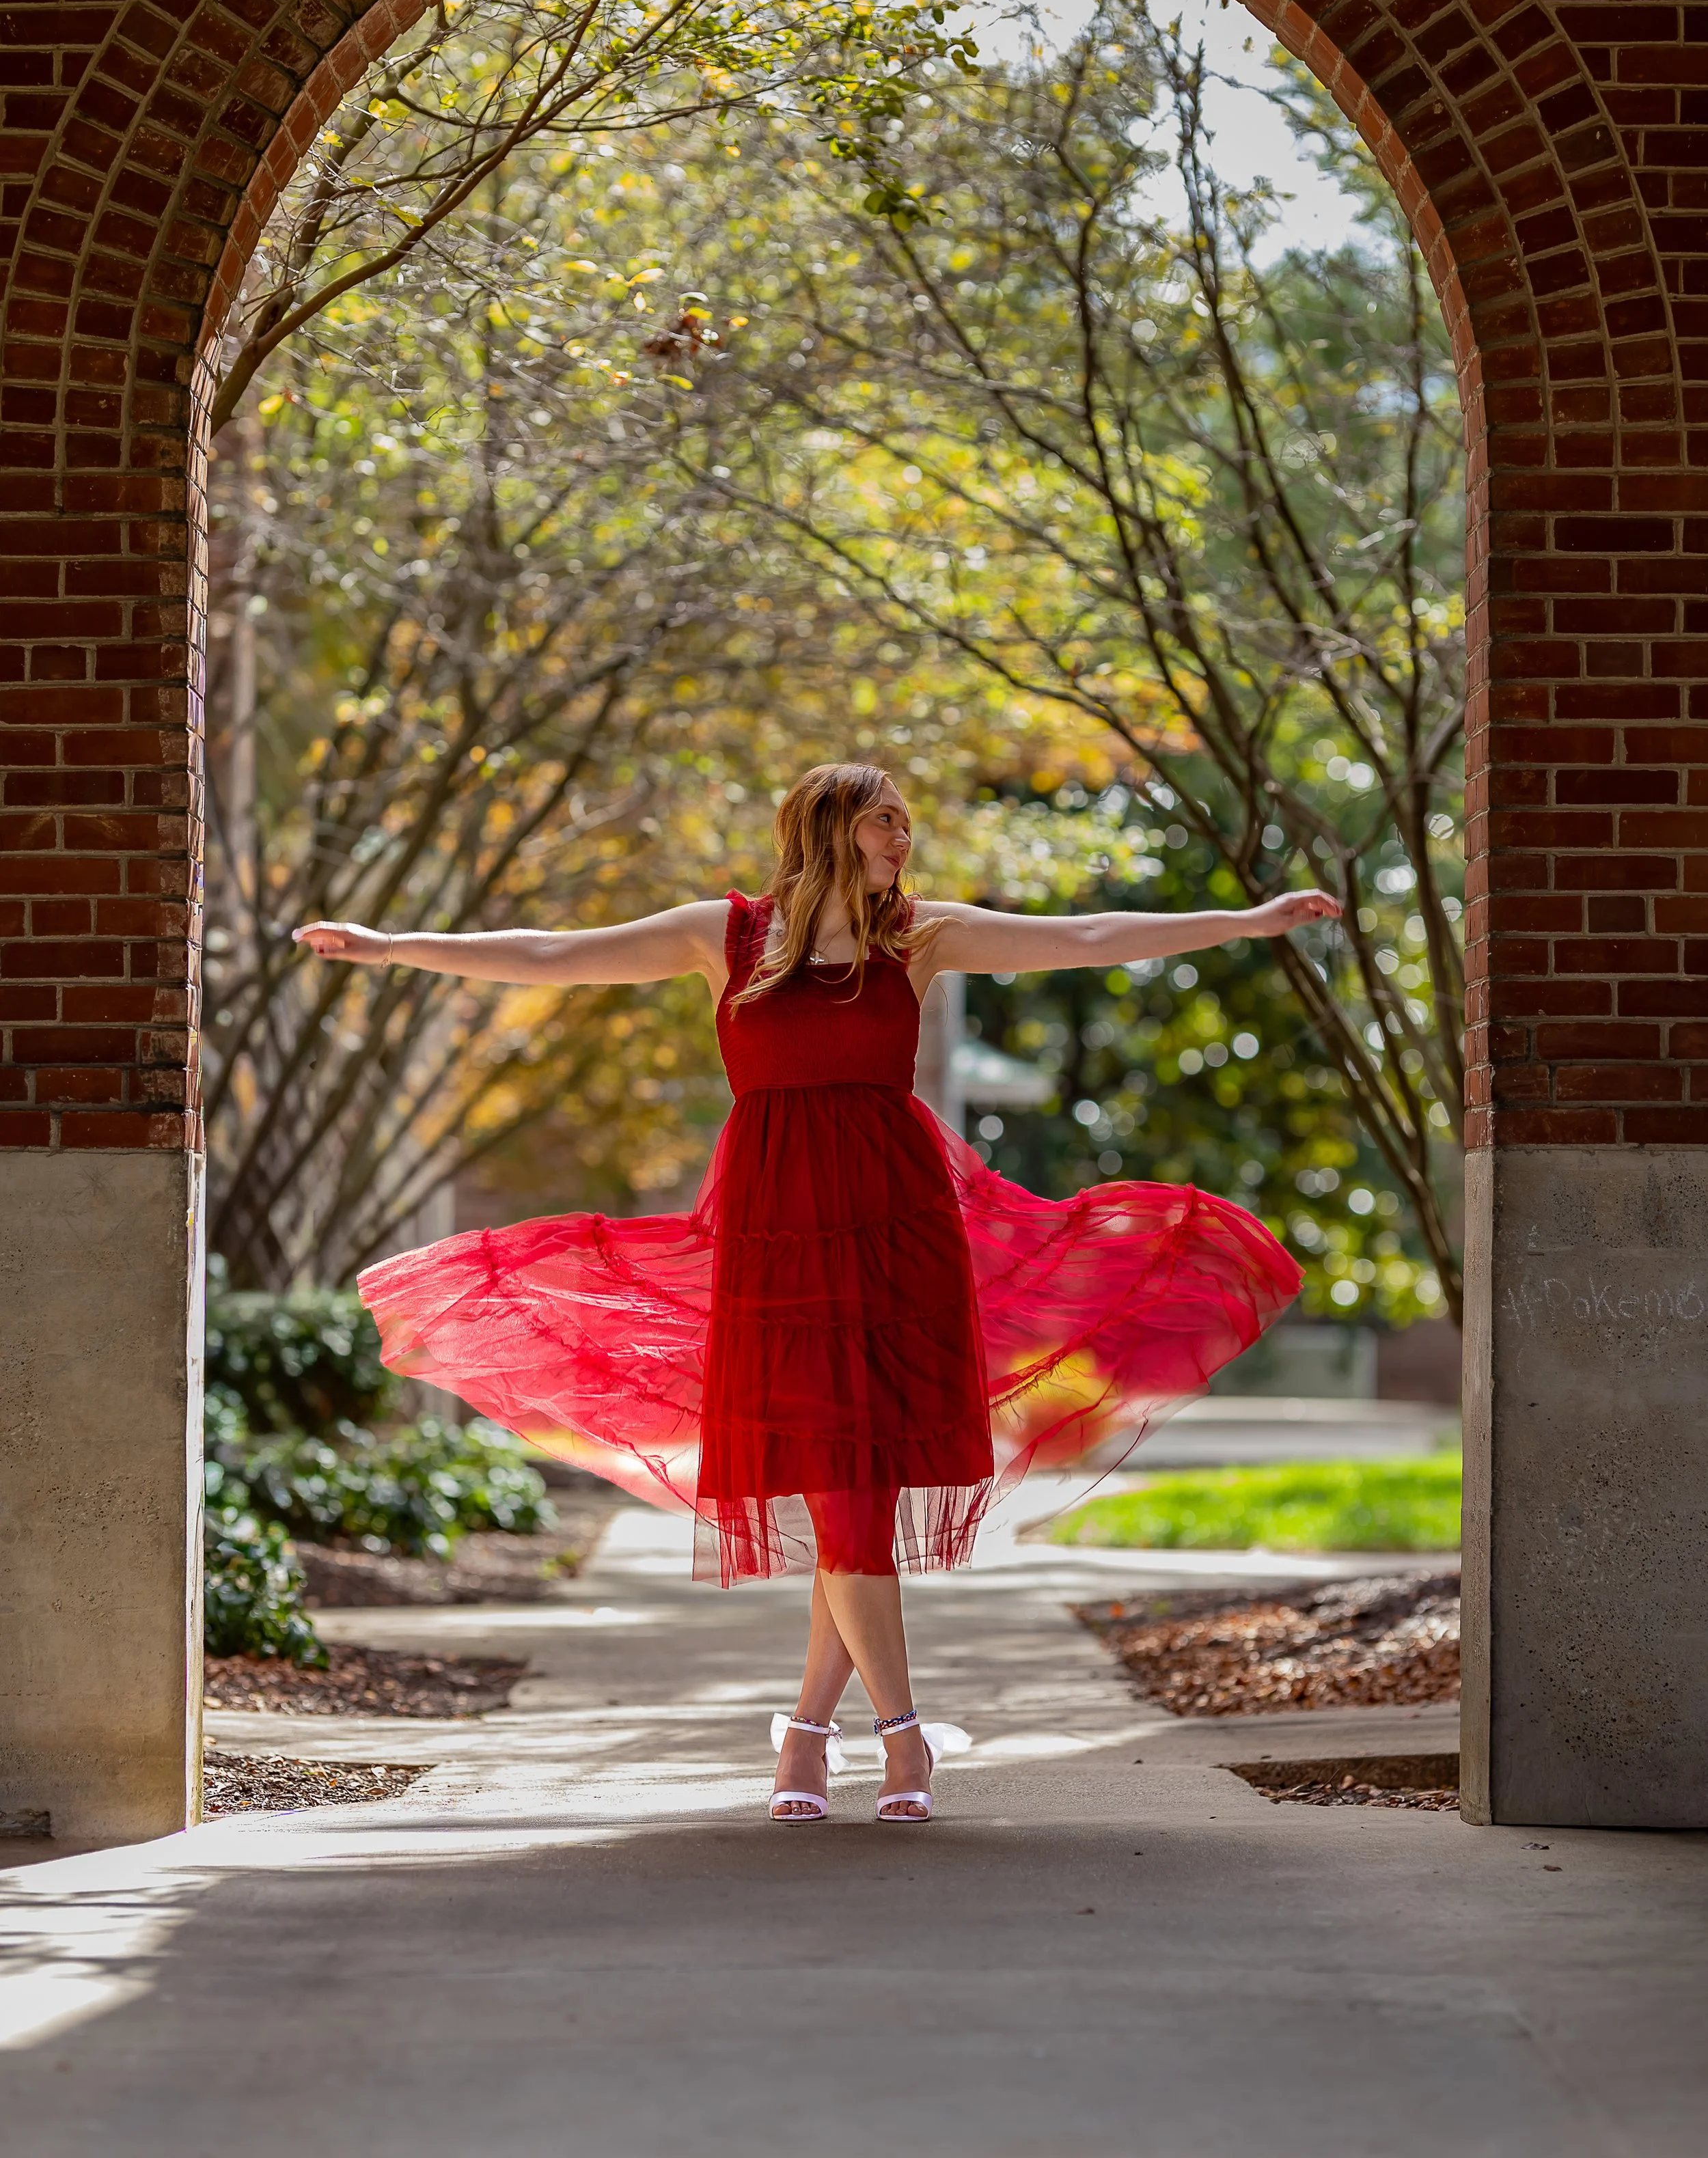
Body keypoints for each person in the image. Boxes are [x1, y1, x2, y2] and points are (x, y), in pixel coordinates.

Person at [295, 762, 1339, 1825]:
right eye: (888, 820)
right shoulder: (726, 934)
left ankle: (826, 1742)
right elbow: (558, 956)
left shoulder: (916, 936)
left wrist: (1247, 921)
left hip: (899, 1240)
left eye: (906, 822)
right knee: (843, 1500)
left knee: (860, 1503)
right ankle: (888, 1738)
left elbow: (1083, 937)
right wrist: (387, 947)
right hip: (776, 1247)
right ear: (832, 825)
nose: (904, 838)